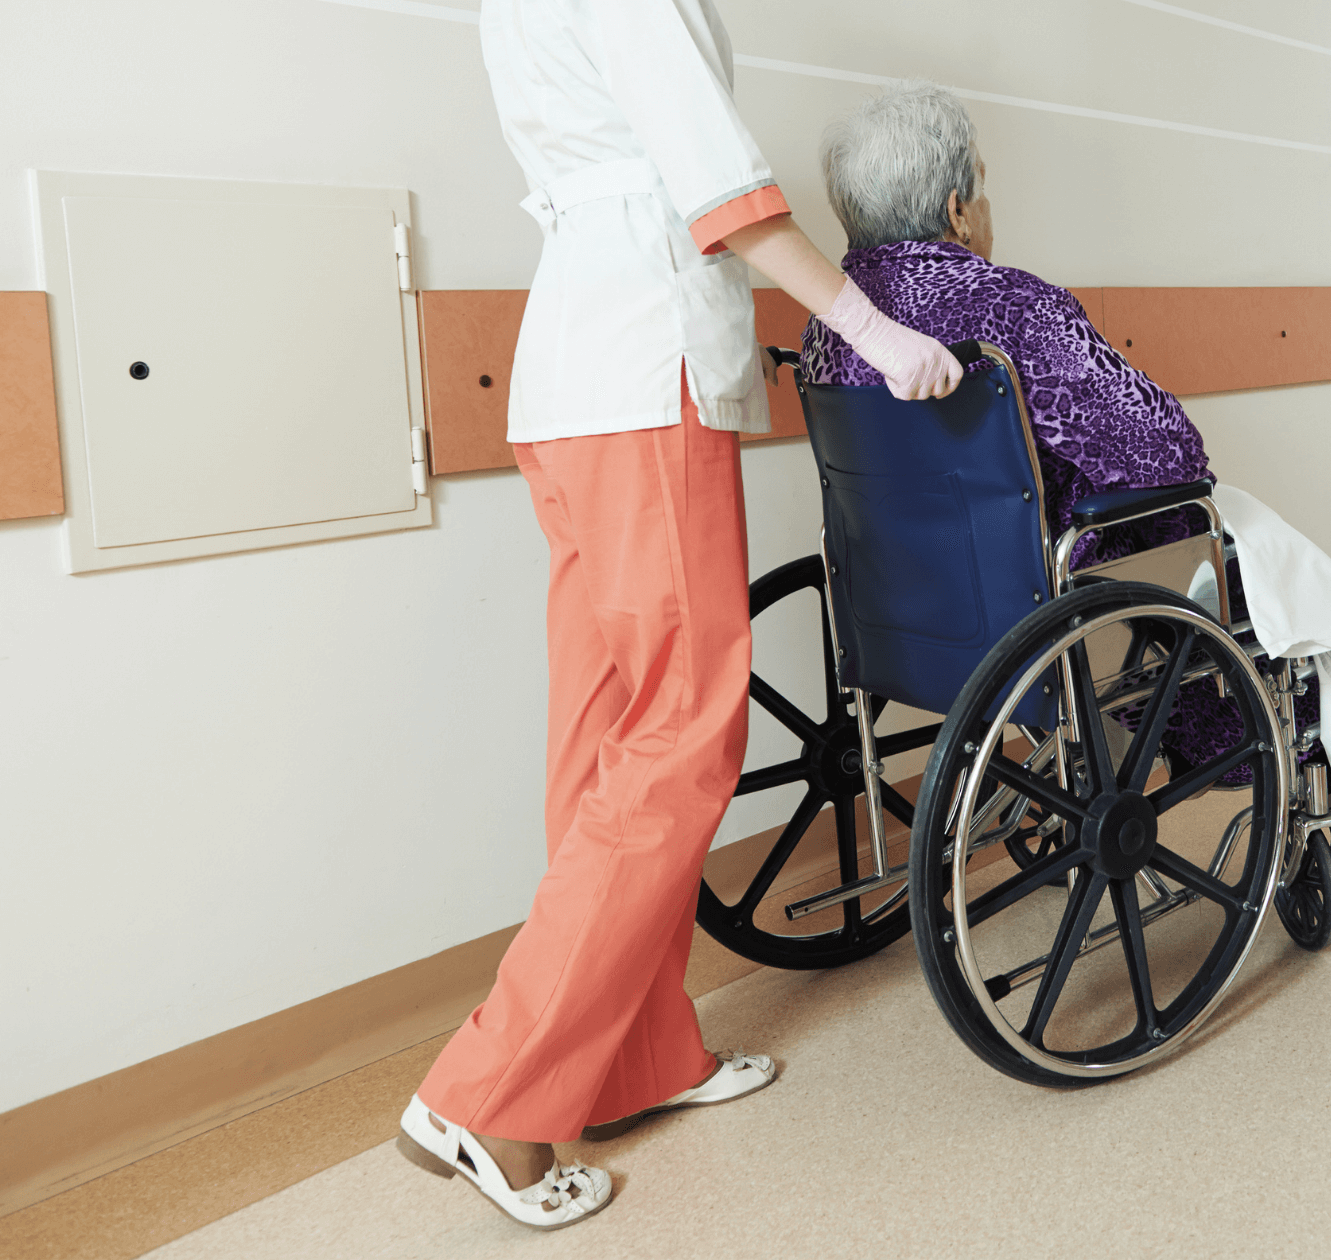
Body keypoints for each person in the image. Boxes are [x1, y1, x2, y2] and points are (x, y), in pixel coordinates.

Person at [393, 0, 962, 1232]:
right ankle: (490, 1096)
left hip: (568, 384)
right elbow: (725, 189)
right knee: (681, 736)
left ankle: (632, 1058)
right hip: (643, 377)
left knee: (603, 736)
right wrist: (869, 325)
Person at [800, 81, 1297, 782]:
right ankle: (1271, 745)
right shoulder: (1013, 308)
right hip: (1032, 603)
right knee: (1214, 544)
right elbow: (1166, 454)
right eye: (982, 189)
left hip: (897, 606)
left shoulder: (828, 331)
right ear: (957, 213)